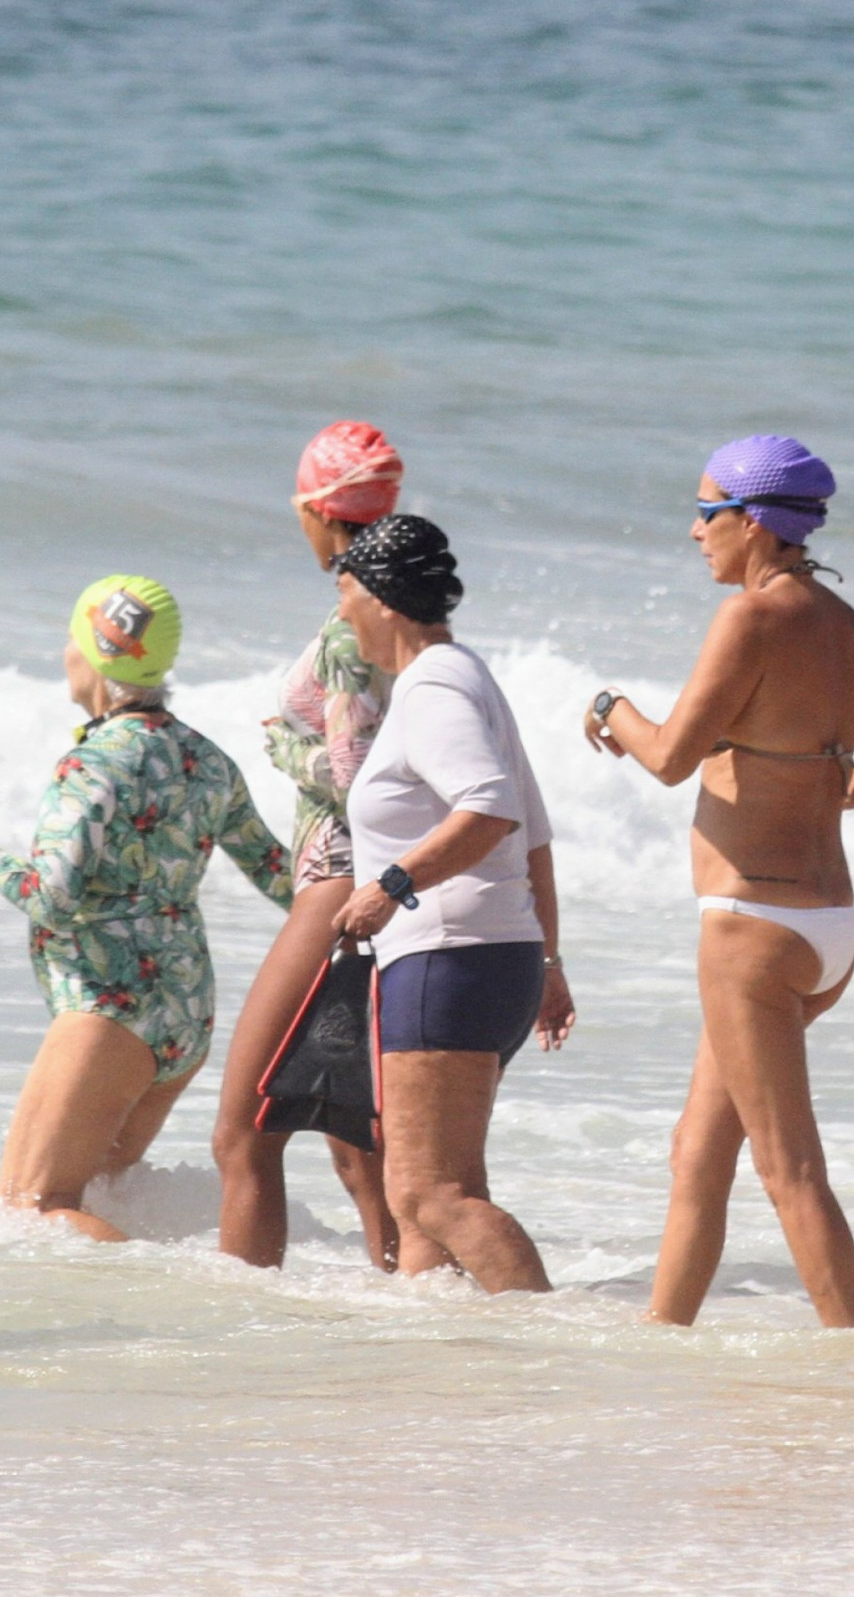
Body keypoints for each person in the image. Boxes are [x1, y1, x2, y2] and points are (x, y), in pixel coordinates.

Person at [584, 434, 854, 1328]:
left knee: (790, 1173)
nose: (695, 531)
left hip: (753, 927)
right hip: (828, 923)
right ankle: (658, 1345)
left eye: (707, 513)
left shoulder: (750, 619)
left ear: (754, 522)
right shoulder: (843, 623)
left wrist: (608, 708)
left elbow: (667, 758)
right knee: (696, 1155)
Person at [0, 573, 292, 1243]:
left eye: (72, 637)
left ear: (97, 652)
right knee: (99, 1199)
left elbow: (51, 900)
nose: (64, 652)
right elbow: (281, 877)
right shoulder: (207, 760)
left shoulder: (92, 765)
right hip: (185, 1011)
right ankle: (157, 1307)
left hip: (110, 1009)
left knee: (32, 1209)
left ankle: (172, 1295)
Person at [333, 515, 574, 1290]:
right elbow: (534, 834)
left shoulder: (432, 685)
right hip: (492, 958)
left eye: (345, 591)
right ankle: (451, 1357)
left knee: (427, 1193)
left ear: (382, 598)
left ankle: (549, 1336)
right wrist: (548, 961)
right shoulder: (466, 675)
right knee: (428, 1205)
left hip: (447, 959)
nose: (340, 611)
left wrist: (388, 887)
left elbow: (492, 809)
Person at [213, 421, 403, 1267]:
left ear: (320, 512)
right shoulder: (401, 611)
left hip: (338, 882)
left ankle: (238, 1327)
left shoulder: (347, 629)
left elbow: (358, 782)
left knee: (244, 1132)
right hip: (384, 886)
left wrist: (279, 745)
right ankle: (413, 1305)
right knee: (359, 1149)